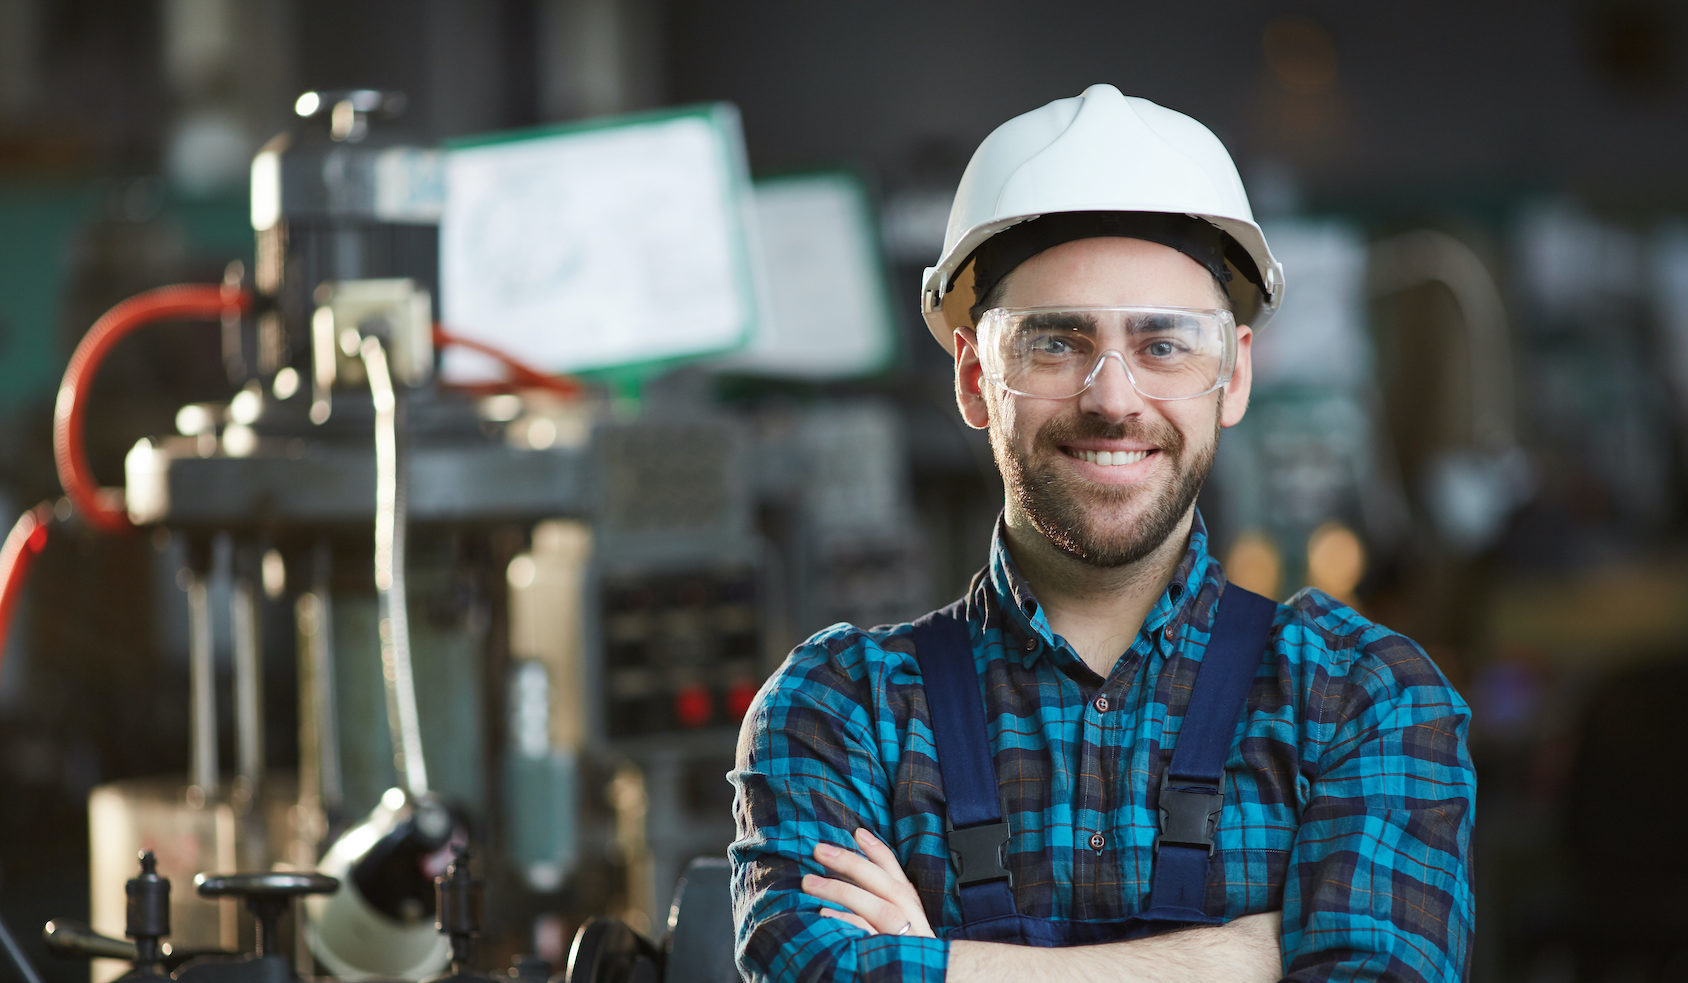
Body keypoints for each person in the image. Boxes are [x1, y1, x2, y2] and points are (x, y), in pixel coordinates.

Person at [729, 83, 1476, 982]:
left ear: (1233, 375)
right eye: (1055, 344)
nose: (1114, 399)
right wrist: (1245, 954)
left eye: (1163, 345)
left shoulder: (1358, 698)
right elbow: (809, 969)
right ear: (974, 377)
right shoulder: (842, 709)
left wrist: (934, 962)